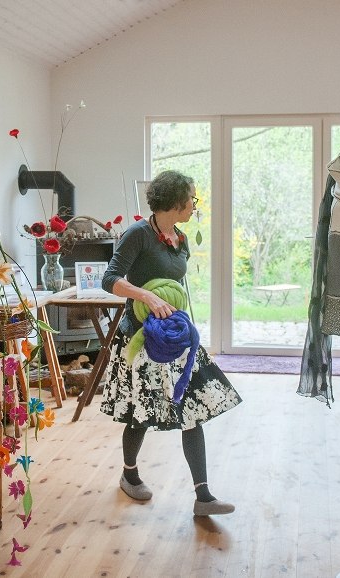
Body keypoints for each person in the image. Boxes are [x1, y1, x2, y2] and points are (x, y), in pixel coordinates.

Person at [100, 169, 242, 516]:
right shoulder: (137, 235)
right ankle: (129, 475)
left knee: (192, 412)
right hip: (142, 338)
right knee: (139, 414)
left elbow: (179, 286)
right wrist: (146, 296)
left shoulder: (180, 238)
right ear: (176, 202)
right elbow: (110, 279)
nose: (195, 204)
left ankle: (203, 496)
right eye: (192, 198)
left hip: (175, 337)